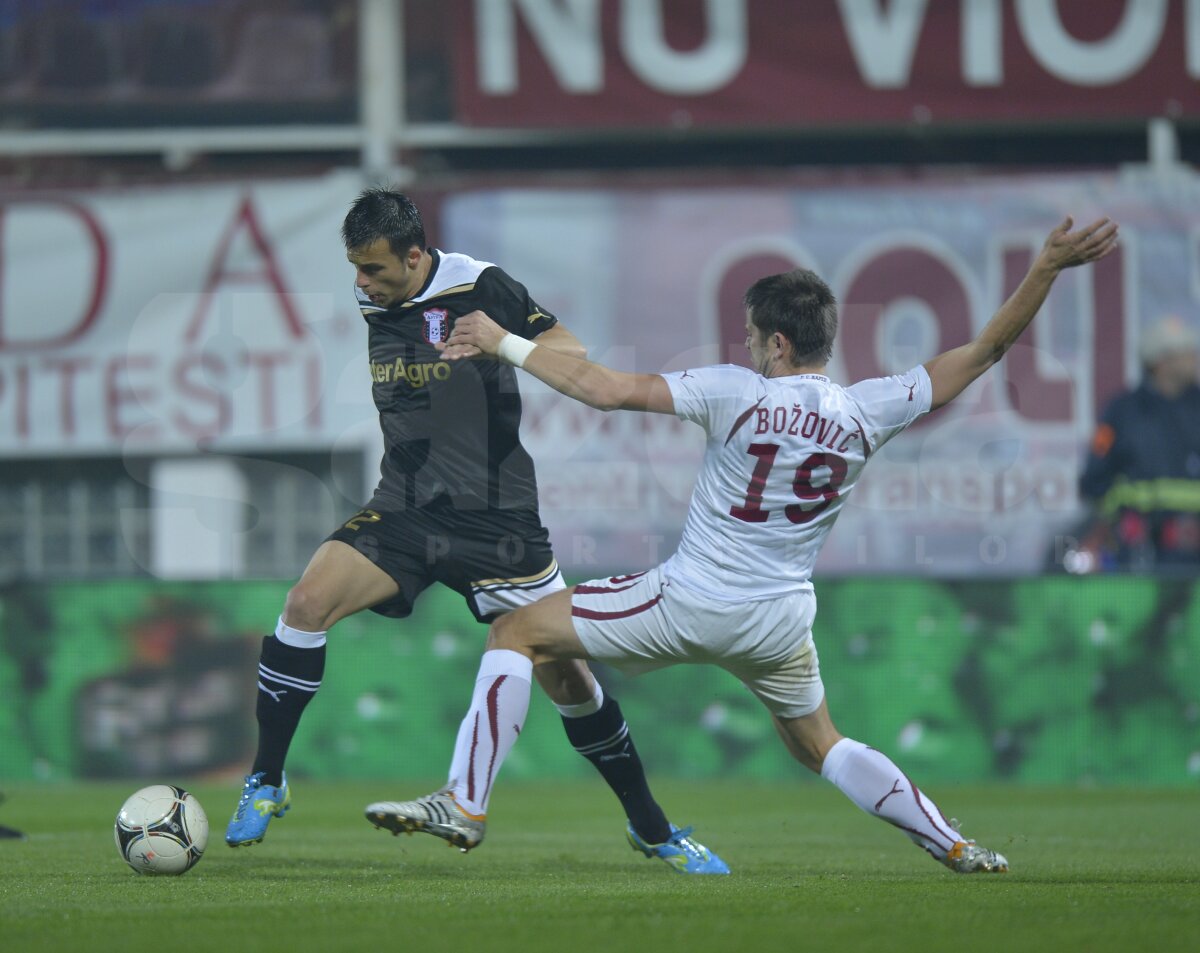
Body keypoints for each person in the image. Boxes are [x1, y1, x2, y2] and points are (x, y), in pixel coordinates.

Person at [366, 215, 1119, 873]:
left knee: (517, 630)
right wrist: (1045, 269)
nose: (750, 346)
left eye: (756, 336)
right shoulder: (867, 410)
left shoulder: (737, 390)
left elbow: (603, 388)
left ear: (778, 343)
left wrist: (505, 342)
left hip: (690, 599)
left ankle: (465, 802)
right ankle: (952, 842)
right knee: (821, 744)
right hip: (780, 621)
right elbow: (986, 351)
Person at [224, 188, 728, 875]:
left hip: (497, 518)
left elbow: (569, 349)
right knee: (305, 603)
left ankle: (653, 826)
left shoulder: (478, 282)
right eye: (354, 268)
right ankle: (267, 780)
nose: (360, 284)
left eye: (372, 268)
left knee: (569, 680)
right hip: (406, 507)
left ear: (414, 254)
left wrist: (504, 341)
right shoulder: (379, 295)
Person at [1077, 313, 1200, 570]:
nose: (1193, 358)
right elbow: (1095, 477)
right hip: (1136, 552)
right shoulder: (1120, 412)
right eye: (1185, 352)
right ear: (1161, 362)